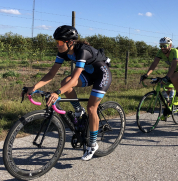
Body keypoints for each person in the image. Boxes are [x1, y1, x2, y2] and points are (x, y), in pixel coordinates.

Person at [24, 25, 112, 161]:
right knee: (65, 81)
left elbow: (75, 78)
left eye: (59, 42)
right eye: (56, 42)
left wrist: (58, 93)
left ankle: (93, 144)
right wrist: (34, 87)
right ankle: (78, 110)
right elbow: (51, 73)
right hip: (89, 74)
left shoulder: (82, 51)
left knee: (91, 108)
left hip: (102, 75)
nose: (57, 45)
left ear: (70, 42)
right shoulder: (63, 52)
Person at [140, 37, 178, 120]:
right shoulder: (160, 52)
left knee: (173, 78)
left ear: (170, 45)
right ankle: (168, 108)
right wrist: (146, 75)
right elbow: (154, 64)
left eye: (164, 46)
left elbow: (173, 66)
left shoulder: (175, 51)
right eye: (161, 46)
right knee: (164, 84)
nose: (162, 48)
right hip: (173, 70)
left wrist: (167, 77)